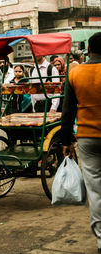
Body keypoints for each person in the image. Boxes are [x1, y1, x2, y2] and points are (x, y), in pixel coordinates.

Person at [61, 32, 101, 253]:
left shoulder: (75, 72)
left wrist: (66, 140)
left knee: (95, 190)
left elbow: (68, 111)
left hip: (87, 137)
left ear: (89, 50)